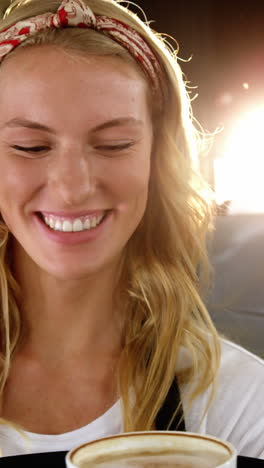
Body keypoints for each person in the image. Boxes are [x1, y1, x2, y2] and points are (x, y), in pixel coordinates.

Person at [0, 0, 263, 460]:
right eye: (31, 146)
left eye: (113, 144)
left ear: (157, 161)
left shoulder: (237, 403)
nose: (74, 187)